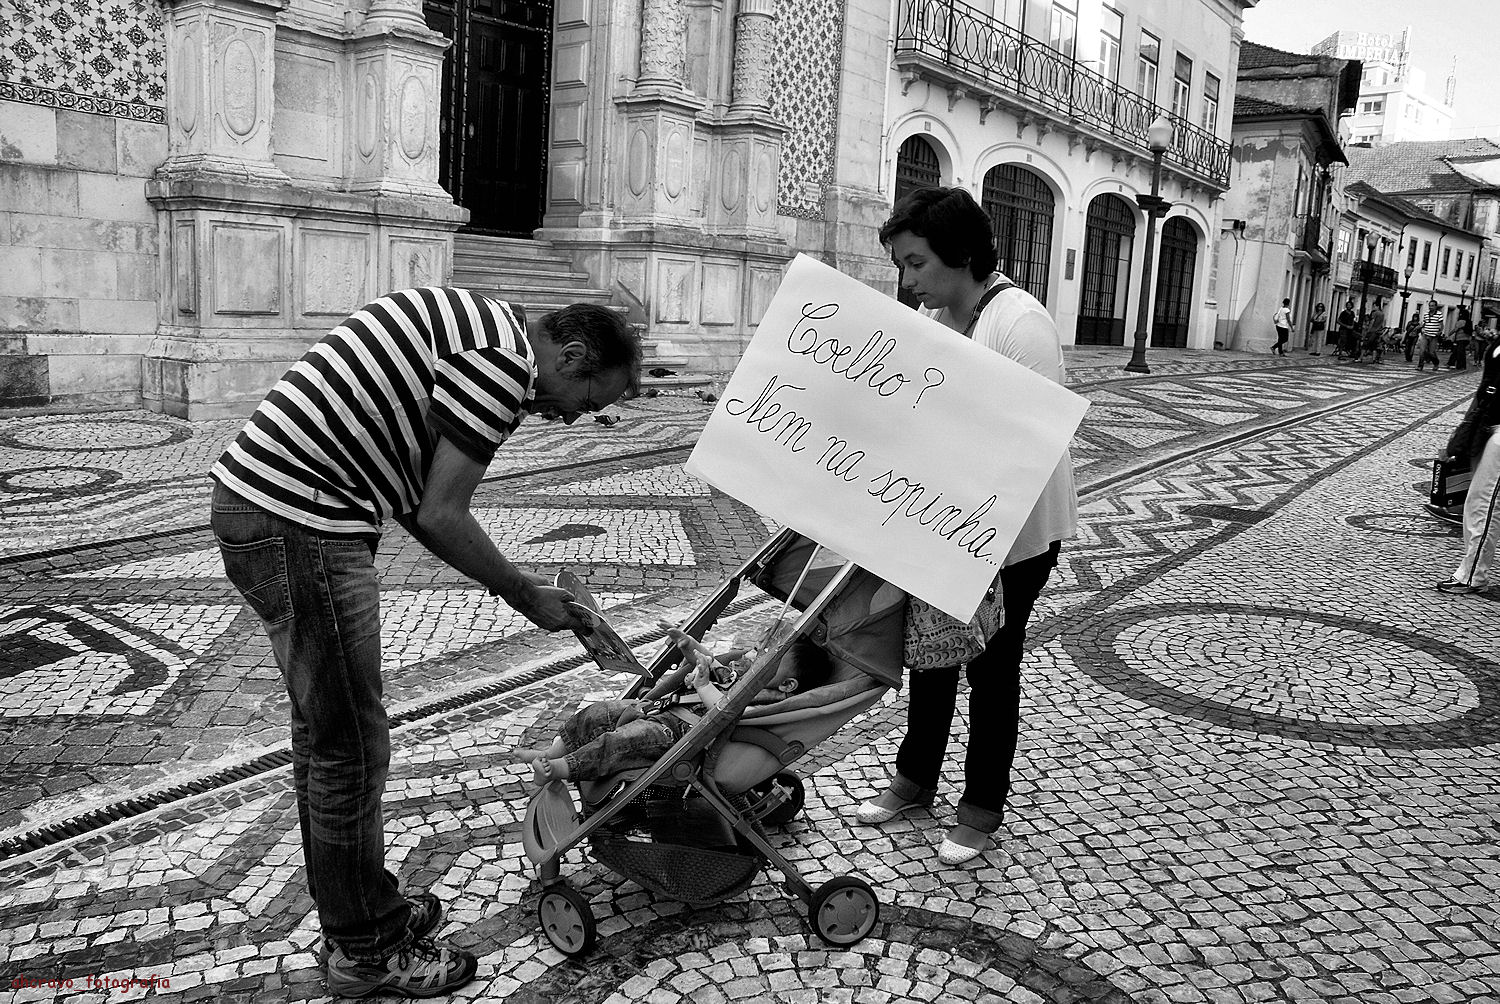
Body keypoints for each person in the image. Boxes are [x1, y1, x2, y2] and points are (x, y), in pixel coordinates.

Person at [210, 288, 641, 999]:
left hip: (267, 508)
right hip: (302, 522)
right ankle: (366, 950)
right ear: (569, 356)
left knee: (329, 737)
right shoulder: (504, 363)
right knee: (350, 749)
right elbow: (442, 512)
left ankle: (357, 908)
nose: (572, 418)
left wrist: (519, 584)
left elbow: (416, 499)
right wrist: (523, 594)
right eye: (587, 401)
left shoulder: (480, 330)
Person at [860, 187, 1077, 866]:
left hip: (1013, 538)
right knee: (929, 652)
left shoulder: (1020, 324)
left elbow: (1029, 445)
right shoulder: (936, 320)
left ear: (960, 255)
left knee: (992, 663)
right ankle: (914, 780)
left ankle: (982, 806)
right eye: (902, 264)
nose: (908, 280)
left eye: (917, 262)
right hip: (941, 522)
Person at [517, 626, 832, 784]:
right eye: (758, 649)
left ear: (787, 685)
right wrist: (689, 647)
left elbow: (728, 713)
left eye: (766, 658)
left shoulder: (766, 700)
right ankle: (553, 751)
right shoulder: (743, 674)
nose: (754, 655)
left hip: (680, 734)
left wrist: (704, 686)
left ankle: (562, 768)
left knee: (619, 743)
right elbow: (709, 662)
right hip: (663, 709)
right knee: (599, 712)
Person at [1434, 340, 1500, 595]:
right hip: (1485, 426)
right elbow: (1484, 390)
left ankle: (1473, 575)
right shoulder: (1497, 344)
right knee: (1480, 501)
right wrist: (1462, 435)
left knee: (1484, 501)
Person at [1417, 301, 1445, 371]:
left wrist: (1440, 332)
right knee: (1422, 350)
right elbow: (1424, 323)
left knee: (1431, 352)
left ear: (1435, 306)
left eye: (1432, 306)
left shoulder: (1439, 314)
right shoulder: (1426, 314)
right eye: (1430, 305)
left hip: (1434, 336)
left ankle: (1436, 363)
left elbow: (1441, 325)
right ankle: (1420, 366)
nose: (1430, 307)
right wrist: (1420, 327)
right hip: (1425, 334)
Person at [1364, 297, 1387, 362]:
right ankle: (1373, 359)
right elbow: (1383, 323)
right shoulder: (1382, 314)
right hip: (1378, 331)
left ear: (1377, 306)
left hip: (1373, 331)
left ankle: (1363, 355)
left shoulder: (1375, 313)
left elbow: (1372, 322)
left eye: (1374, 306)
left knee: (1366, 344)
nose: (1373, 307)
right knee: (1375, 345)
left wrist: (1368, 330)